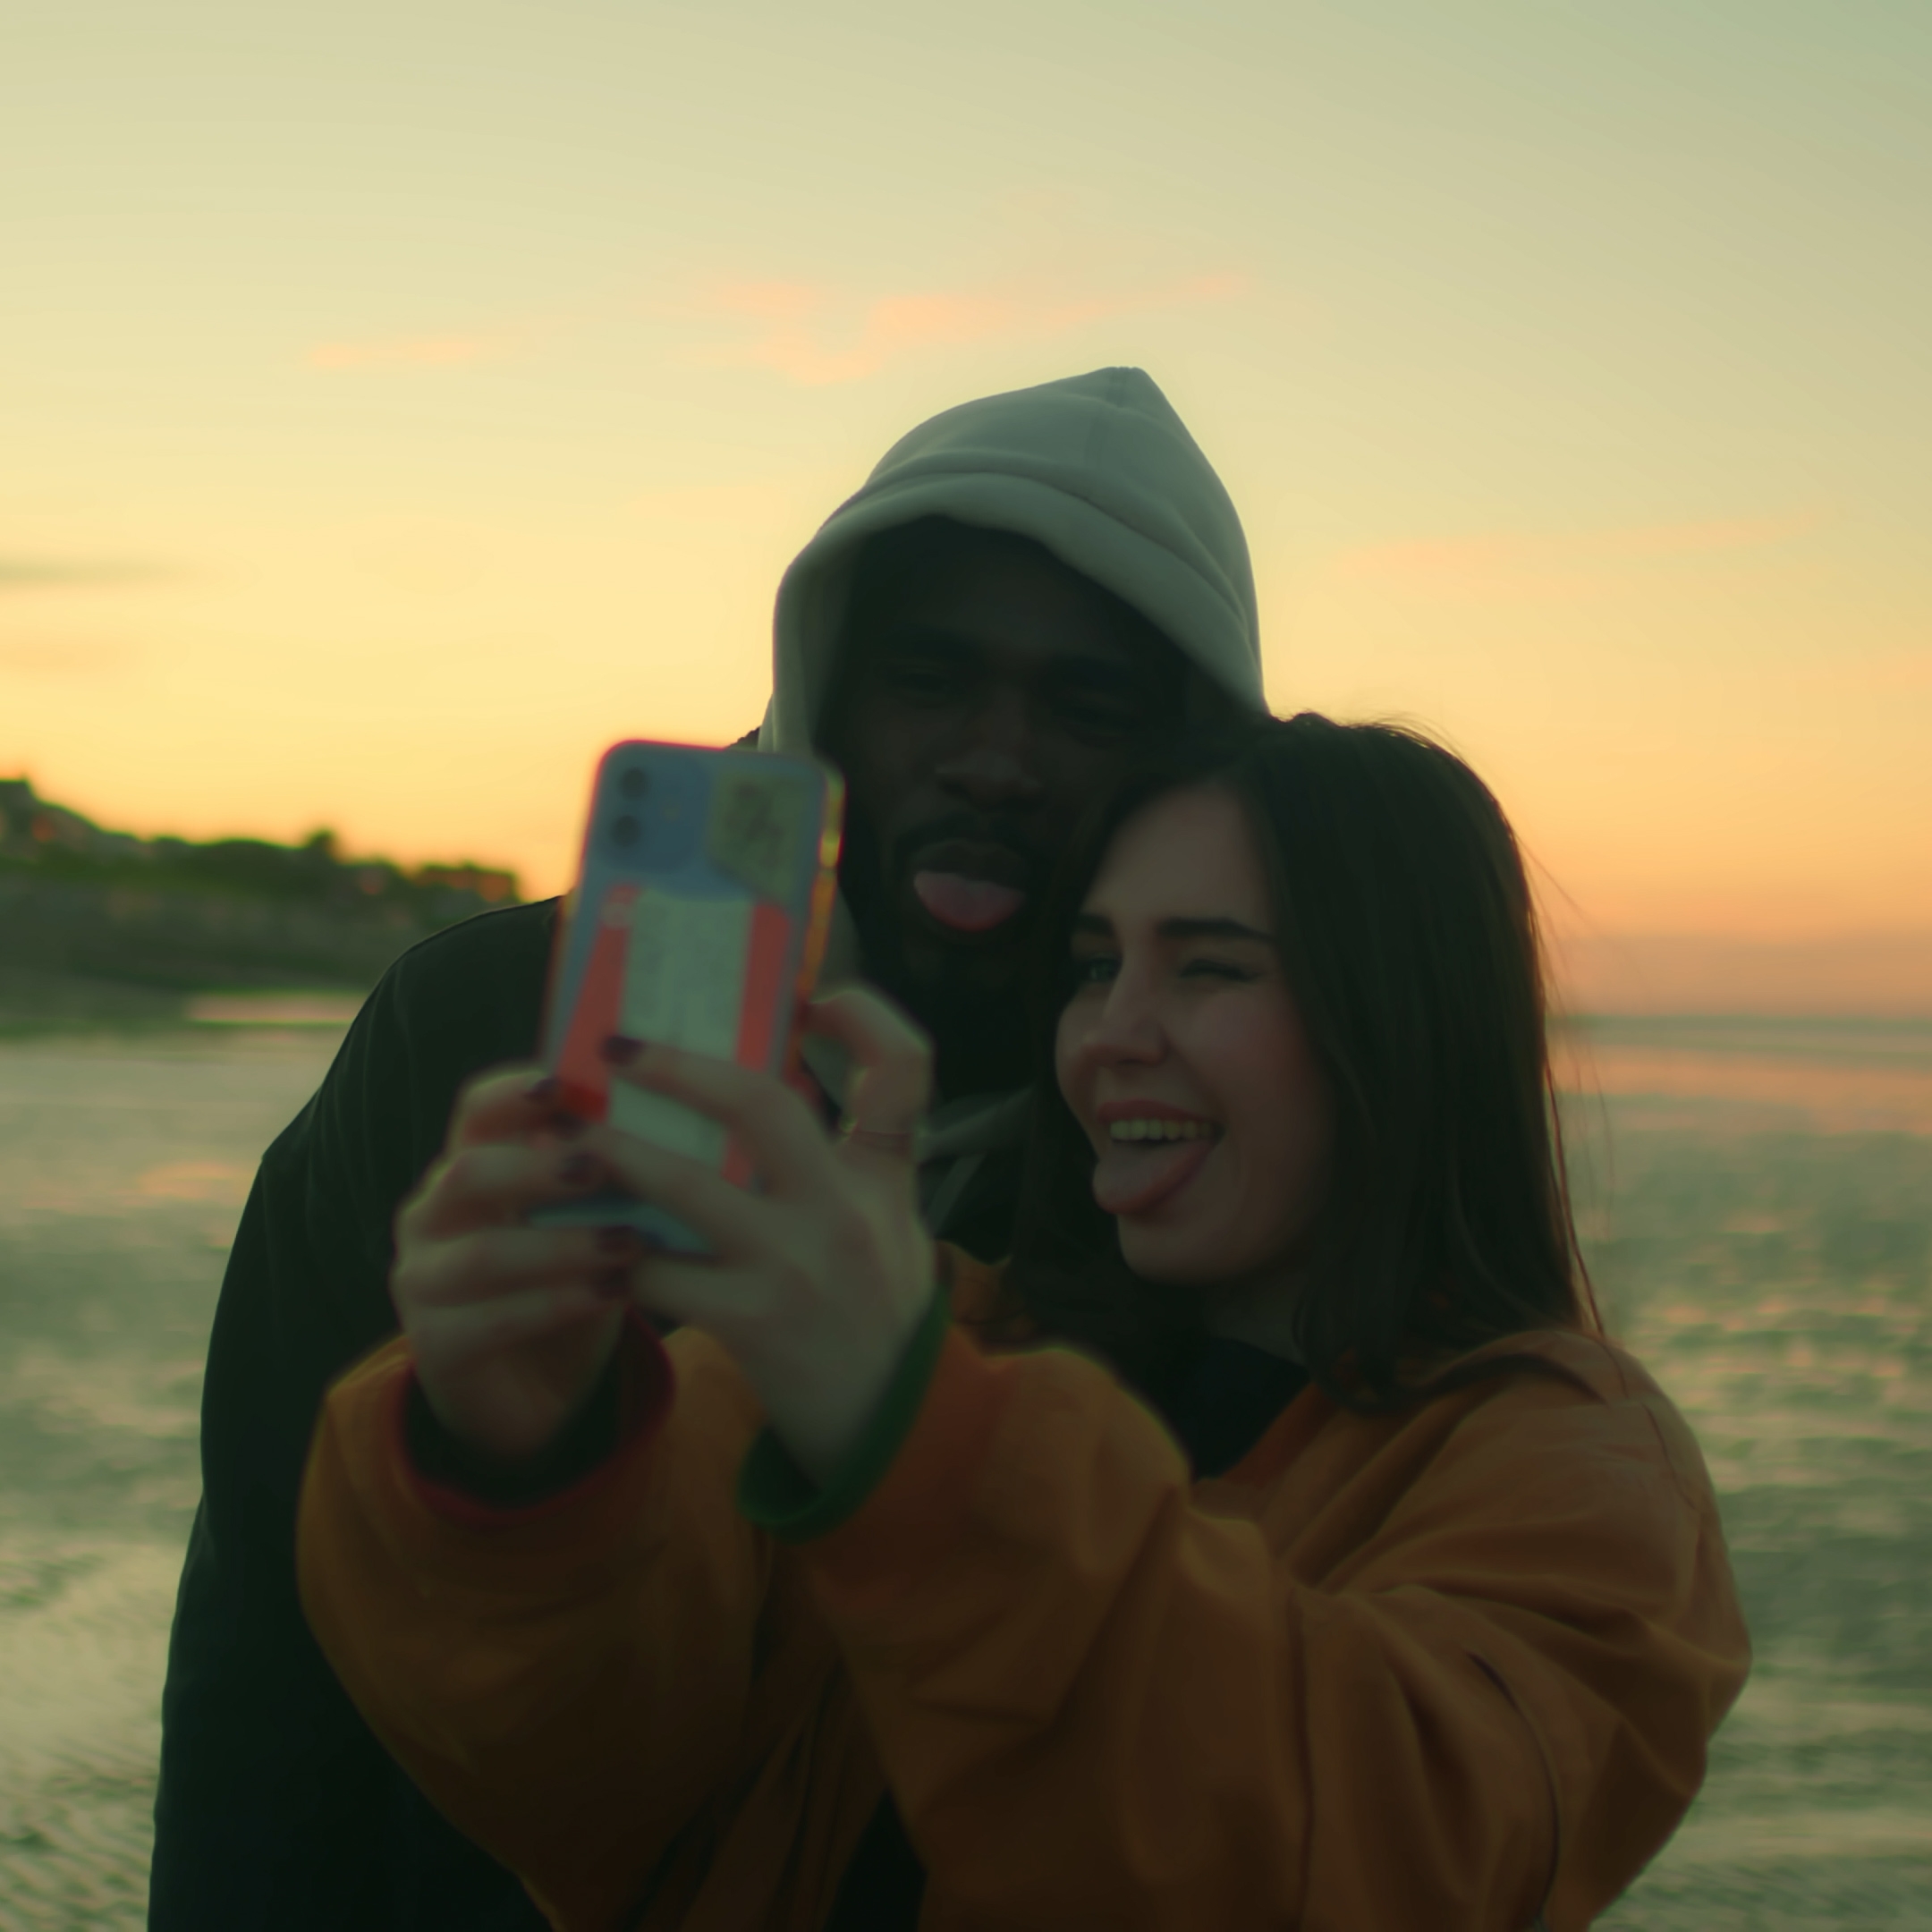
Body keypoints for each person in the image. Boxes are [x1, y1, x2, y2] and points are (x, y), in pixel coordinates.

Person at [295, 714, 1752, 1931]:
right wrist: (521, 1460)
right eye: (1095, 965)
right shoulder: (944, 1337)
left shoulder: (1570, 1476)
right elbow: (582, 1784)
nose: (1112, 1033)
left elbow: (1356, 1858)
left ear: (1403, 1020)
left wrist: (914, 1437)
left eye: (1209, 966)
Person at [148, 367, 1267, 1927]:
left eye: (1086, 708)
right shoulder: (484, 1027)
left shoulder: (1191, 1136)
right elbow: (265, 1623)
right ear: (824, 694)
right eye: (931, 678)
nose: (998, 758)